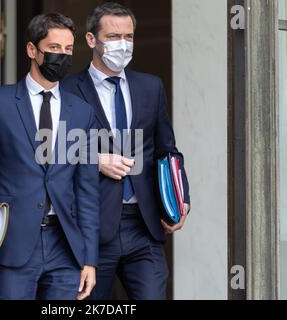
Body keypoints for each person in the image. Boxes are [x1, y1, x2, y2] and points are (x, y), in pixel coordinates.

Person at [62, 2, 191, 300]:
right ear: (92, 40)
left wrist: (181, 197)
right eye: (113, 37)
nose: (123, 44)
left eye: (129, 37)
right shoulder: (66, 91)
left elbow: (166, 150)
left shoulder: (150, 87)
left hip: (143, 226)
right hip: (90, 228)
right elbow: (51, 153)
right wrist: (94, 161)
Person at [0, 13, 99, 300]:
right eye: (54, 48)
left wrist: (89, 258)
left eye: (68, 50)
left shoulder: (82, 112)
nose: (63, 56)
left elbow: (88, 190)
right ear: (33, 50)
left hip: (65, 248)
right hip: (12, 245)